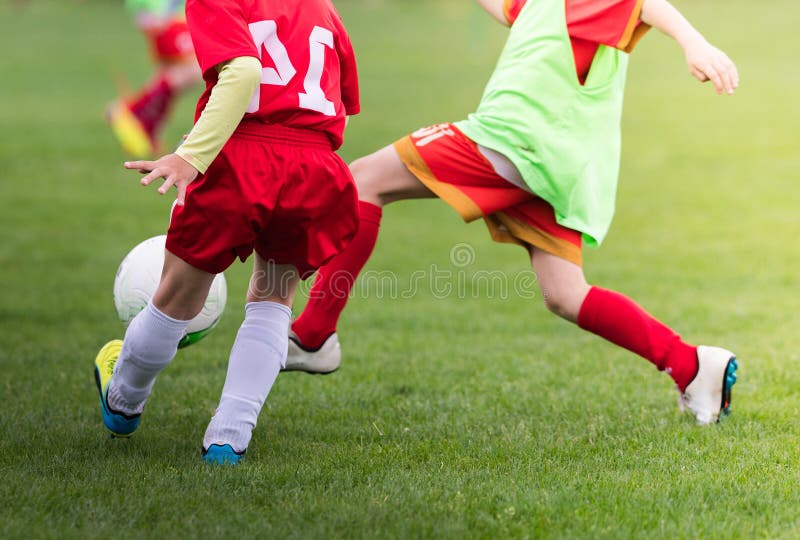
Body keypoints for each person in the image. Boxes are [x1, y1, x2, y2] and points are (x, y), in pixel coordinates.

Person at [284, 0, 740, 425]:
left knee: (364, 179)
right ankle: (692, 364)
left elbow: (644, 3)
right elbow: (509, 9)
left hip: (513, 144)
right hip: (548, 165)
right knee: (565, 294)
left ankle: (313, 335)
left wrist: (692, 41)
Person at [93, 0, 360, 464]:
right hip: (317, 165)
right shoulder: (322, 6)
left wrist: (190, 156)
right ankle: (228, 438)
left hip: (244, 157)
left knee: (177, 294)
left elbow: (242, 73)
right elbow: (344, 103)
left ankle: (124, 398)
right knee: (273, 300)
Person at [107, 0, 202, 158]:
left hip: (161, 12)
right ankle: (133, 113)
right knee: (193, 70)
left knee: (169, 72)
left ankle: (148, 129)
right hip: (167, 13)